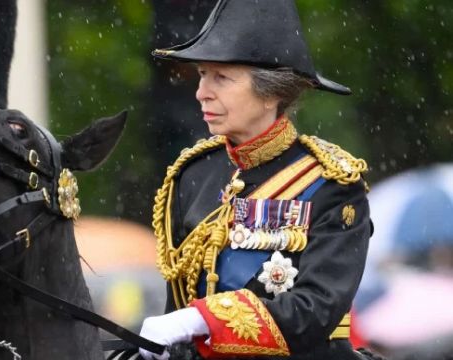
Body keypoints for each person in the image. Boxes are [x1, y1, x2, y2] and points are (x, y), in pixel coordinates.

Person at [139, 1, 377, 359]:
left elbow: (316, 310)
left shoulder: (331, 184)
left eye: (221, 77)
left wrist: (201, 320)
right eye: (203, 74)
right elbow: (180, 301)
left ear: (273, 93)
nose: (202, 91)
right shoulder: (192, 174)